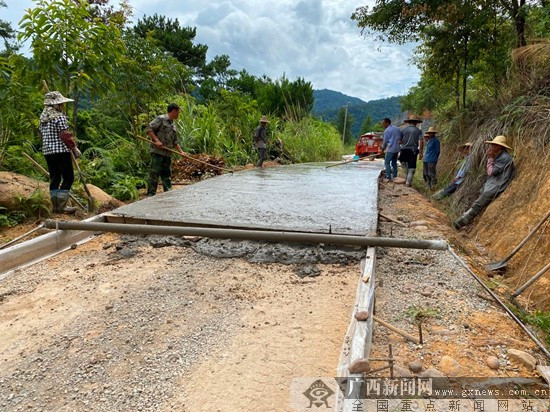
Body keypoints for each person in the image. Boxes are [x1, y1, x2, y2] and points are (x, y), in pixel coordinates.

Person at [453, 135, 515, 229]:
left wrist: (490, 158)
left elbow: (491, 172)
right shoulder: (499, 155)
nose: (491, 147)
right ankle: (467, 217)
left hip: (498, 184)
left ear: (499, 147)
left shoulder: (504, 158)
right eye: (492, 145)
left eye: (494, 145)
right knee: (480, 195)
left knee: (481, 199)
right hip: (493, 182)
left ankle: (462, 221)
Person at [39, 91, 81, 214]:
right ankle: (61, 206)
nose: (62, 106)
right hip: (61, 151)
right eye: (61, 103)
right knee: (68, 177)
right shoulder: (60, 117)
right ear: (56, 105)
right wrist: (74, 148)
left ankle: (56, 207)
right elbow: (65, 135)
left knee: (55, 177)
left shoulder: (42, 119)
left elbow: (41, 135)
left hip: (48, 151)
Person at [145, 103, 186, 196]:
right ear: (174, 111)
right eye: (178, 112)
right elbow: (149, 128)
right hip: (157, 152)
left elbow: (175, 142)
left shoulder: (173, 125)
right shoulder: (161, 119)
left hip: (167, 154)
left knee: (166, 175)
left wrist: (181, 152)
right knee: (154, 174)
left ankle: (168, 194)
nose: (178, 115)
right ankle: (151, 195)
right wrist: (156, 140)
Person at [398, 114, 423, 186]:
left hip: (404, 150)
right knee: (411, 168)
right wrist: (421, 152)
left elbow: (399, 141)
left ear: (409, 122)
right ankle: (408, 183)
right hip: (413, 151)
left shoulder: (403, 130)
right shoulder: (418, 131)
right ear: (416, 123)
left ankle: (406, 179)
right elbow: (421, 141)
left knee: (404, 165)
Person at [381, 117, 402, 182]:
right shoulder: (397, 129)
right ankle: (395, 176)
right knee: (394, 163)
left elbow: (385, 142)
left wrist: (382, 149)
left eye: (383, 123)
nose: (383, 125)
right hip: (396, 149)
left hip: (390, 149)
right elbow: (400, 138)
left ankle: (388, 177)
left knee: (387, 163)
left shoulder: (387, 131)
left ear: (387, 123)